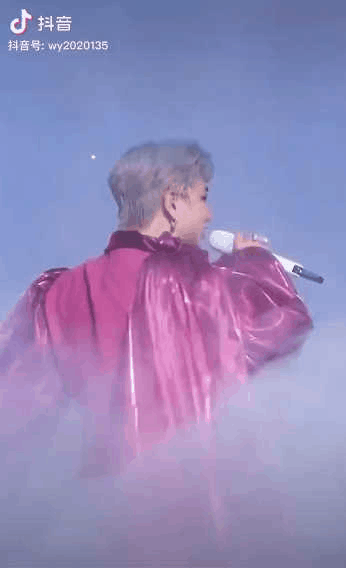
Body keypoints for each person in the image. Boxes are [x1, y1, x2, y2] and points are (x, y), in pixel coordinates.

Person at [0, 140, 313, 478]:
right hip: (186, 488)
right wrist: (253, 262)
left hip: (99, 490)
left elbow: (15, 405)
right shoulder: (193, 286)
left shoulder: (56, 292)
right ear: (173, 203)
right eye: (202, 198)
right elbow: (279, 326)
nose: (209, 214)